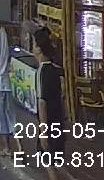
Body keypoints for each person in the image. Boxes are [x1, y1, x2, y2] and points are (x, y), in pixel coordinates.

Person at [33, 39, 66, 180]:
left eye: (34, 45)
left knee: (47, 159)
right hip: (58, 120)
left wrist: (43, 131)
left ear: (39, 49)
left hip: (49, 122)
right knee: (56, 160)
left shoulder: (41, 71)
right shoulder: (57, 70)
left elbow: (42, 102)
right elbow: (62, 95)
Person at [0, 27, 13, 157]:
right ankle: (16, 146)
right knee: (9, 116)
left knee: (2, 118)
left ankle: (6, 147)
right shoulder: (4, 31)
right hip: (5, 81)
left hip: (1, 82)